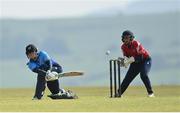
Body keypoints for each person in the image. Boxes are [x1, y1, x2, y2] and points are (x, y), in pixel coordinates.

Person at [119, 30, 154, 97]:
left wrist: (129, 60)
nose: (125, 40)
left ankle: (151, 93)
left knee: (143, 75)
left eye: (127, 38)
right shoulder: (123, 47)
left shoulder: (136, 44)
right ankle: (119, 93)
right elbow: (126, 57)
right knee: (127, 79)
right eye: (124, 38)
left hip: (145, 60)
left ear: (131, 38)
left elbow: (140, 57)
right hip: (135, 63)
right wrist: (124, 62)